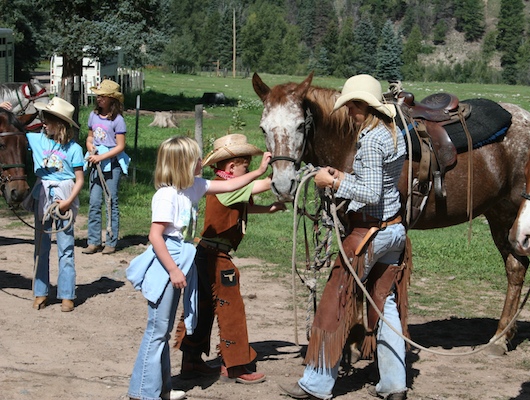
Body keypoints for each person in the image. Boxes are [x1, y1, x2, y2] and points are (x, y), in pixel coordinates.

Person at [280, 74, 410, 400]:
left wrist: (333, 182)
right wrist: (344, 175)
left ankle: (316, 383)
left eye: (352, 105)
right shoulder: (395, 134)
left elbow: (368, 192)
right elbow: (377, 182)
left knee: (336, 300)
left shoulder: (372, 139)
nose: (349, 111)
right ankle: (395, 383)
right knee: (385, 304)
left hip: (369, 234)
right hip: (394, 230)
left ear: (365, 106)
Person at [125, 135, 272, 400]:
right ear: (182, 163)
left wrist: (259, 171)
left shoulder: (193, 187)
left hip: (182, 256)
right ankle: (144, 392)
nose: (201, 162)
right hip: (168, 259)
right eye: (196, 158)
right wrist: (173, 269)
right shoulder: (166, 196)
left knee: (164, 329)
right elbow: (156, 236)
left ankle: (162, 389)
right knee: (156, 331)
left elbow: (230, 186)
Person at [173, 134, 286, 384]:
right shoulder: (225, 186)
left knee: (202, 305)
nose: (247, 168)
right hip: (215, 257)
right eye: (245, 164)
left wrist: (269, 209)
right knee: (231, 307)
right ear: (231, 167)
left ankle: (191, 359)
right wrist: (273, 171)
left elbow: (243, 205)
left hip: (205, 254)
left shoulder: (226, 188)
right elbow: (260, 185)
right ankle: (235, 364)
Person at [27, 97, 85, 312]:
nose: (43, 123)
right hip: (43, 191)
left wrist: (68, 201)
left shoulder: (74, 149)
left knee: (66, 246)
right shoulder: (37, 139)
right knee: (41, 246)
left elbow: (79, 179)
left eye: (47, 120)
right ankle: (40, 291)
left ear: (59, 123)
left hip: (64, 193)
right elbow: (13, 127)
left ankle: (67, 294)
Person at [83, 79, 129, 255]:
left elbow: (120, 146)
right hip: (96, 163)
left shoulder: (118, 120)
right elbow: (89, 137)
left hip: (112, 163)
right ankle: (93, 241)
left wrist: (102, 156)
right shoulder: (93, 116)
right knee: (94, 202)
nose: (99, 99)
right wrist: (90, 148)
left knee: (111, 201)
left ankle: (111, 240)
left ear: (112, 99)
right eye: (98, 96)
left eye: (102, 96)